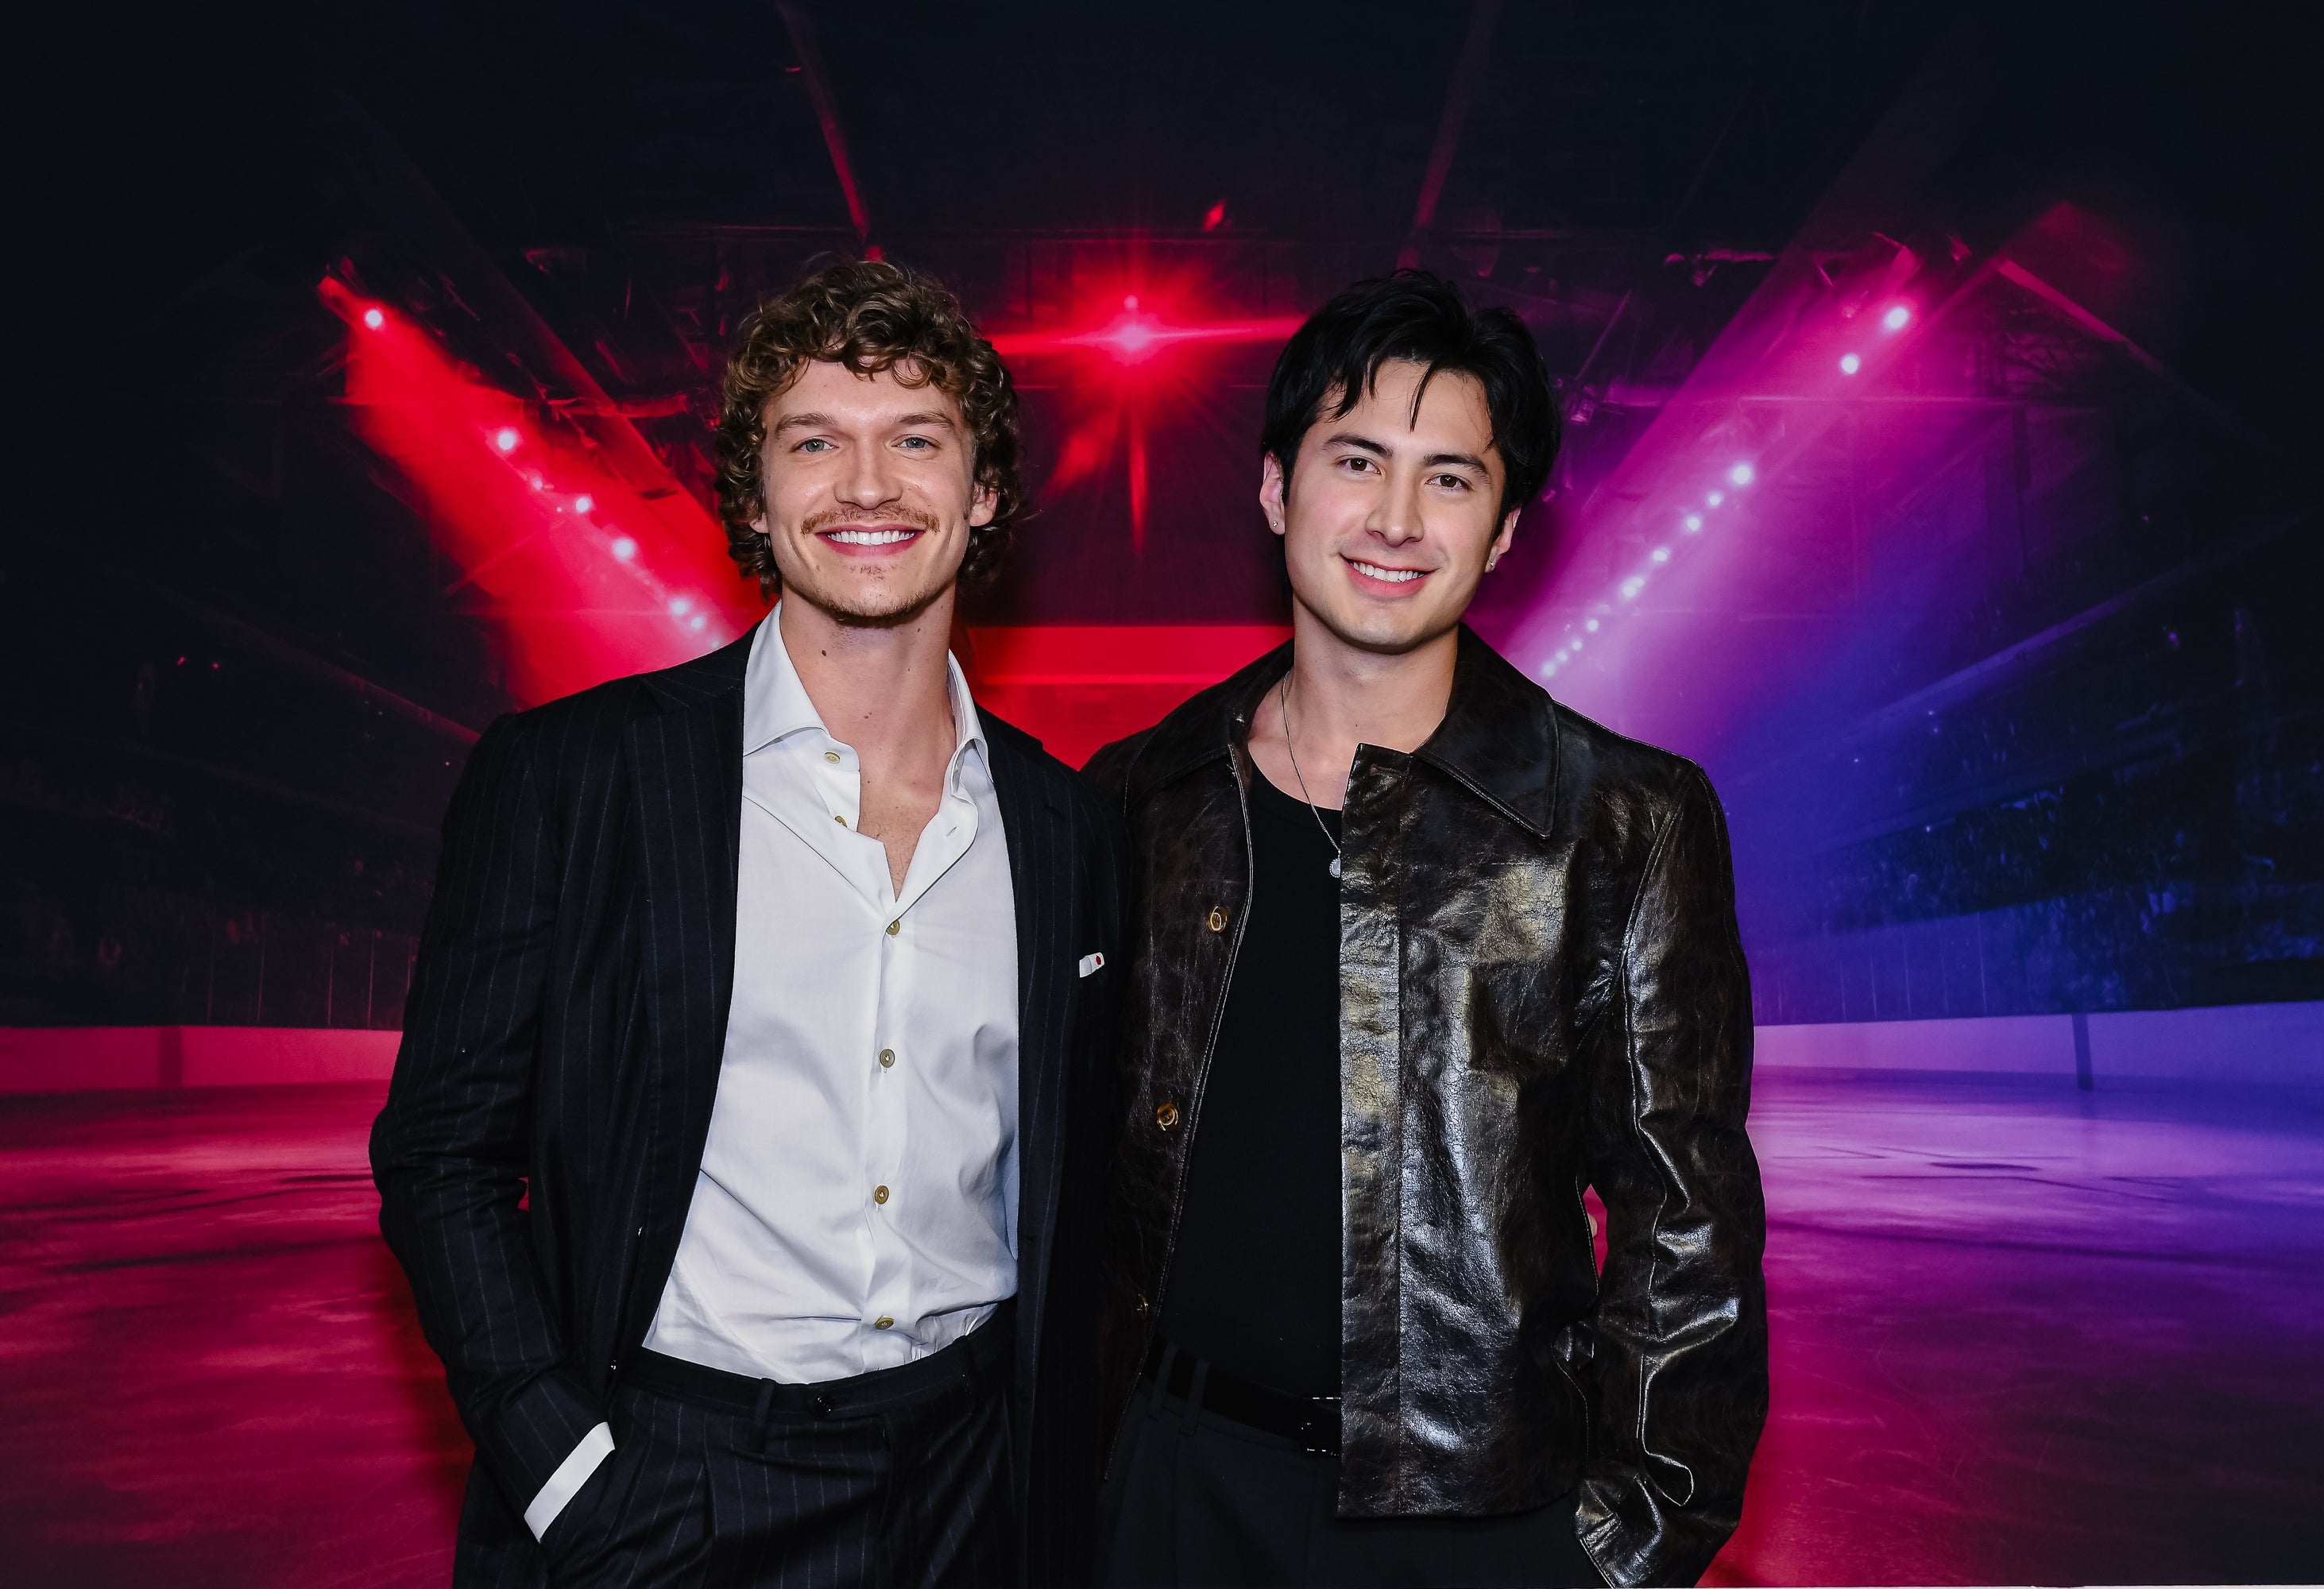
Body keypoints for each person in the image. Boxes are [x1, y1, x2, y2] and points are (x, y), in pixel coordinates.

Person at [371, 259, 1124, 1589]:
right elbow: (441, 1156)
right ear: (757, 497)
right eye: (815, 442)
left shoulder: (1068, 827)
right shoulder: (574, 776)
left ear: (984, 492)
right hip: (673, 1485)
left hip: (973, 1485)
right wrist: (565, 1474)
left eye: (918, 440)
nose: (869, 486)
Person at [1084, 271, 1768, 1588]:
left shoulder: (1622, 821)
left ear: (1502, 531)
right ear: (1278, 487)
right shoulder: (1141, 794)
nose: (1397, 519)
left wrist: (1614, 1555)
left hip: (1477, 1521)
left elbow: (1690, 1233)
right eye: (1358, 461)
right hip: (1173, 1488)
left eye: (1450, 478)